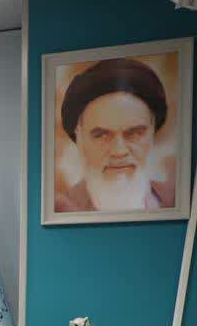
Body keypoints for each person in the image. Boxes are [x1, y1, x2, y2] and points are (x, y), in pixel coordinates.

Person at [57, 57, 176, 213]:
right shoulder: (62, 208)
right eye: (101, 135)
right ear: (79, 137)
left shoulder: (172, 201)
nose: (119, 151)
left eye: (134, 134)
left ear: (152, 132)